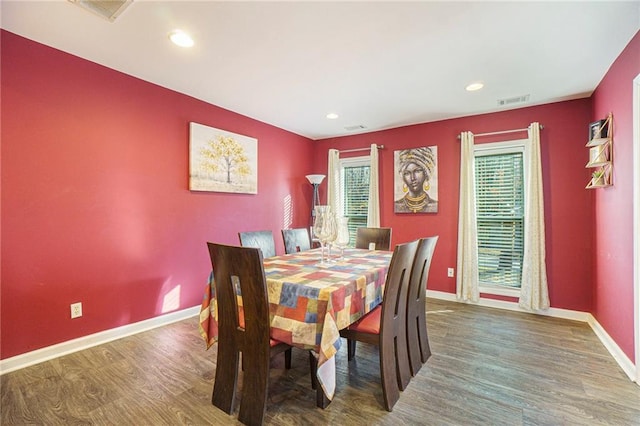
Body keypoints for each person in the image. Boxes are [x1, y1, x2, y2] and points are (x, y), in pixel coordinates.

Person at [394, 147, 438, 213]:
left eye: (417, 171)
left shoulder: (434, 205)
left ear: (425, 173)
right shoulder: (397, 205)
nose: (412, 178)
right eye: (407, 173)